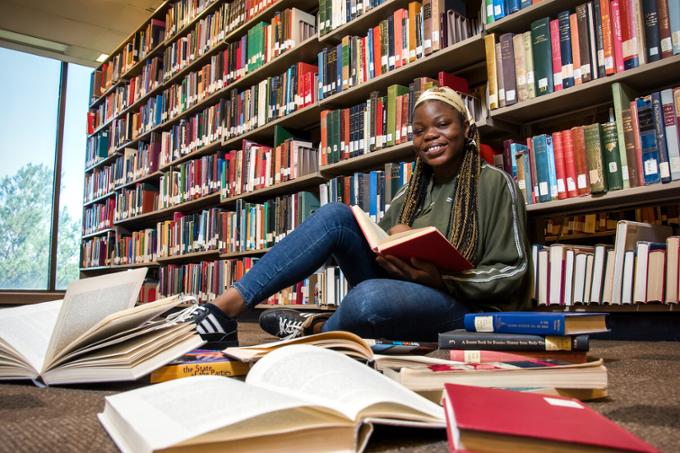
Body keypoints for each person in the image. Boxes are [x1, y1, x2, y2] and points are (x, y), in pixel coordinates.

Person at [177, 86, 532, 347]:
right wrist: (390, 244)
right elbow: (379, 247)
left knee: (368, 299)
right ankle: (224, 309)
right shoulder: (411, 192)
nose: (430, 137)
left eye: (442, 124)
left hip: (465, 307)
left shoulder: (495, 184)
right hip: (407, 291)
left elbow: (512, 270)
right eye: (419, 131)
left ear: (467, 130)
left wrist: (442, 278)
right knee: (335, 215)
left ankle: (316, 331)